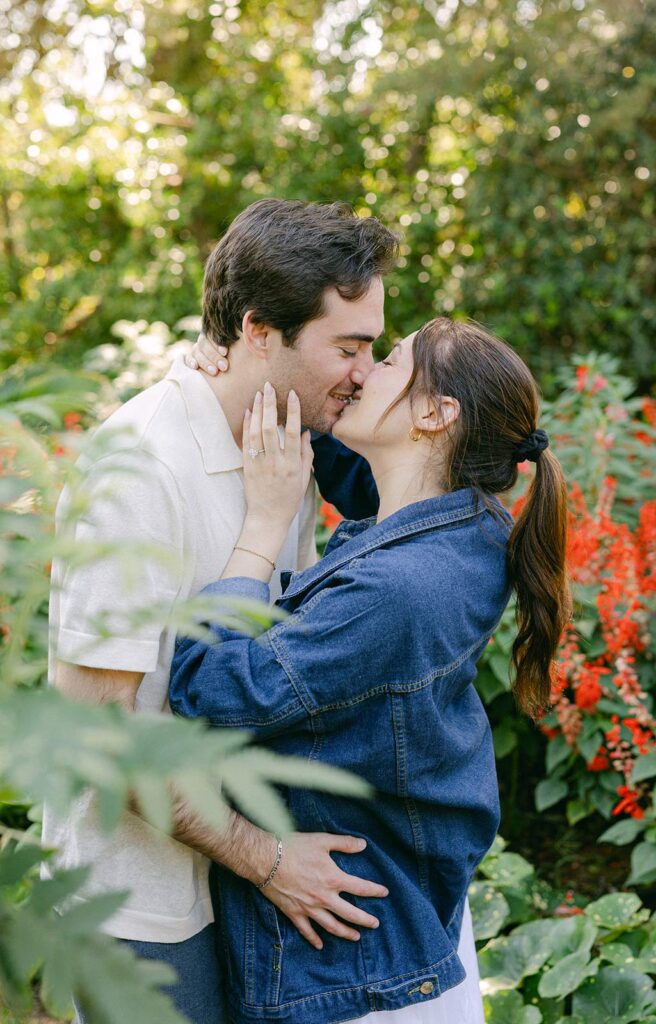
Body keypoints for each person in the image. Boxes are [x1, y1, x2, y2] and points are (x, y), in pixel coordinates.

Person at [45, 199, 400, 1023]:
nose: (365, 370)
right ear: (258, 332)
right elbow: (98, 729)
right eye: (347, 347)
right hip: (145, 905)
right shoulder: (136, 467)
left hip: (244, 885)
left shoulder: (289, 442)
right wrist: (266, 858)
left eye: (372, 345)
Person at [169, 317, 572, 1023]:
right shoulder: (466, 526)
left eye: (386, 361)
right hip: (396, 938)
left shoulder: (397, 590)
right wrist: (251, 366)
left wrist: (262, 530)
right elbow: (370, 481)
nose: (360, 373)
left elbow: (210, 690)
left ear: (434, 413)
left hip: (349, 974)